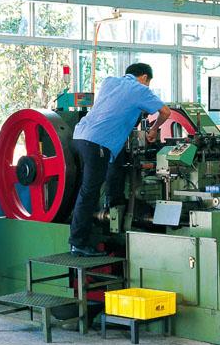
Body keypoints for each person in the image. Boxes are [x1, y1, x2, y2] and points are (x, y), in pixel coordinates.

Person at [68, 63, 171, 256]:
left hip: (80, 136)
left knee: (105, 172)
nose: (147, 86)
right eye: (148, 83)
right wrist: (154, 129)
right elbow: (166, 112)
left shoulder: (109, 82)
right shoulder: (140, 89)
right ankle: (78, 243)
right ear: (144, 77)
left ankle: (112, 202)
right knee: (89, 192)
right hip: (98, 142)